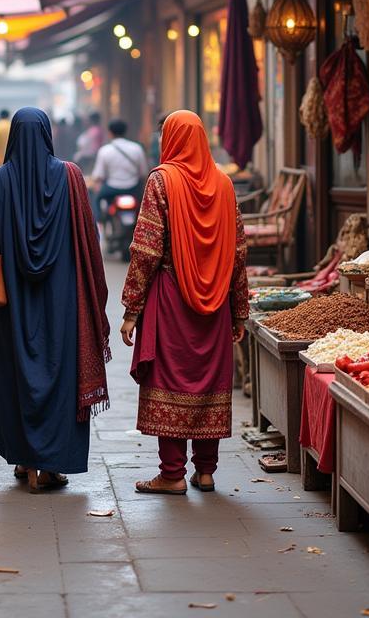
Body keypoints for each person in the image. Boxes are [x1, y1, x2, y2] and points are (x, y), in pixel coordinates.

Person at [0, 107, 111, 493]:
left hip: (13, 302)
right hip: (62, 299)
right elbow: (90, 238)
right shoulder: (70, 177)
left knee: (16, 375)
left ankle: (25, 460)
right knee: (60, 373)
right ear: (49, 135)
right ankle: (53, 464)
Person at [120, 110, 248, 495]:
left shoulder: (161, 181)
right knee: (209, 382)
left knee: (170, 379)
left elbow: (146, 248)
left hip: (172, 300)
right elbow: (238, 252)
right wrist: (240, 310)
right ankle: (206, 472)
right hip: (217, 305)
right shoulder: (225, 185)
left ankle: (172, 473)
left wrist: (131, 310)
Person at [90, 119, 149, 215]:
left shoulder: (104, 151)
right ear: (125, 131)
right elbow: (144, 173)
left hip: (112, 189)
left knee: (97, 199)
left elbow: (98, 175)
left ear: (110, 133)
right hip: (133, 188)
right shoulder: (137, 148)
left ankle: (98, 223)